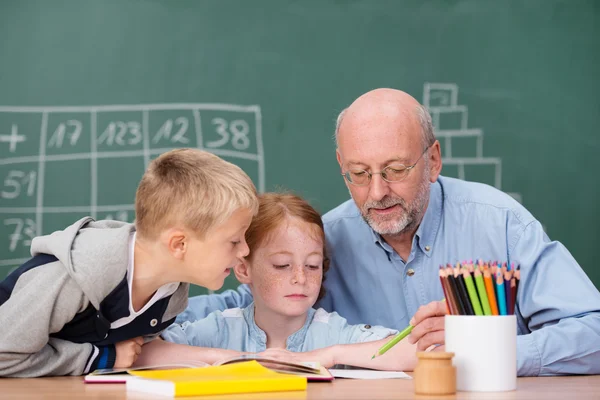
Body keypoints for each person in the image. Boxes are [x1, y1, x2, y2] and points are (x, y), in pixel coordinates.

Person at [179, 89, 600, 376]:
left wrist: (482, 349)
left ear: (433, 160)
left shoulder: (499, 223)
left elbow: (592, 331)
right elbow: (248, 299)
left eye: (397, 170)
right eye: (359, 174)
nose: (377, 192)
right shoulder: (325, 239)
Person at [0, 148, 258, 377]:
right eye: (234, 241)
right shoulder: (76, 278)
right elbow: (5, 354)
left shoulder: (170, 293)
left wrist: (225, 359)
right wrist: (101, 358)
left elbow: (137, 352)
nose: (244, 251)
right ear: (179, 245)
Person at [134, 193, 417, 371]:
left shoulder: (330, 332)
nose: (300, 278)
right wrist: (241, 358)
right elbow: (142, 353)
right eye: (282, 265)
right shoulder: (221, 328)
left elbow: (416, 351)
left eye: (312, 265)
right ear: (243, 270)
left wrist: (329, 355)